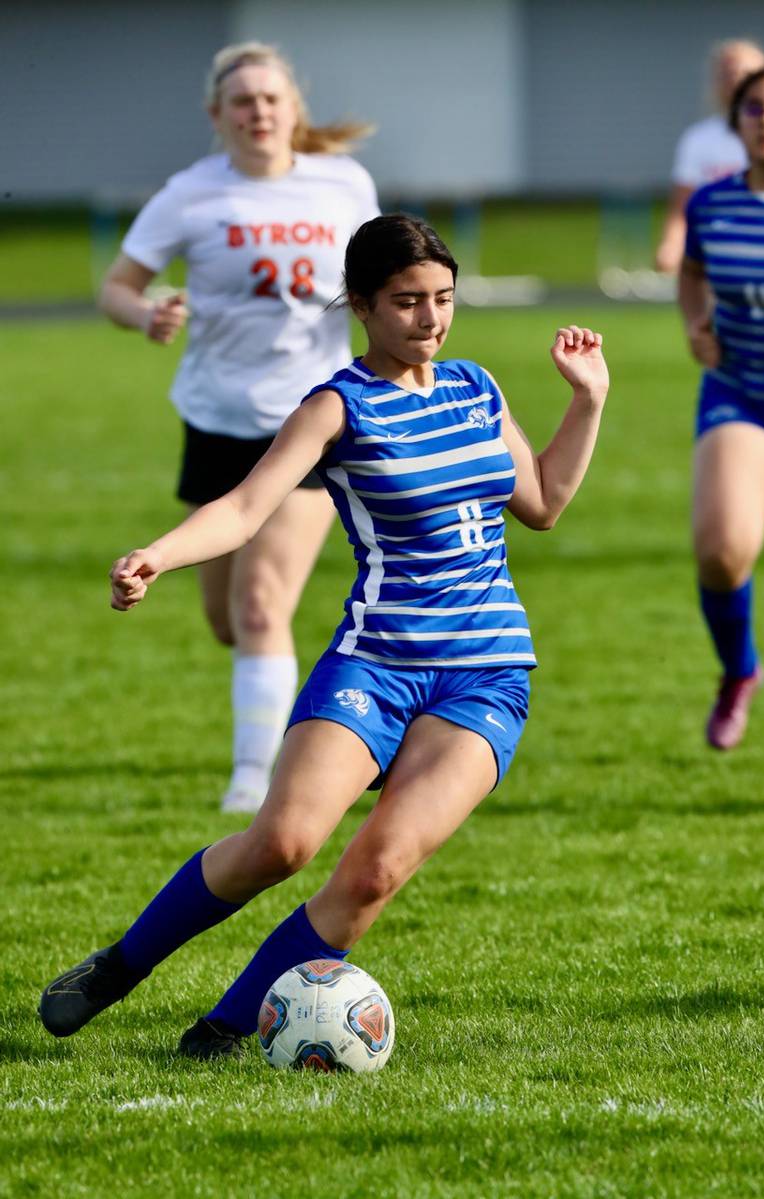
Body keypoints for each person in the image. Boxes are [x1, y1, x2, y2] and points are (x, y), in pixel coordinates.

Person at [38, 214, 609, 1060]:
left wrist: (587, 397)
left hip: (485, 676)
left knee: (373, 873)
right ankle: (121, 964)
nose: (430, 318)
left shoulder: (477, 388)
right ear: (361, 306)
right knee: (282, 842)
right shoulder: (338, 406)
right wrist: (157, 556)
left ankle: (222, 1031)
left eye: (443, 299)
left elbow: (545, 503)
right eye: (408, 302)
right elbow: (241, 508)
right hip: (374, 665)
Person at [98, 42, 379, 813]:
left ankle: (255, 782)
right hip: (219, 420)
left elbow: (383, 278)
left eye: (271, 98)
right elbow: (116, 287)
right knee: (227, 621)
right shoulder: (191, 195)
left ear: (295, 108)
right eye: (243, 101)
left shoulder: (344, 184)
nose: (259, 112)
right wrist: (145, 313)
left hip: (314, 418)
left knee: (262, 605)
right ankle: (271, 704)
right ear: (217, 116)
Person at [679, 64, 764, 750]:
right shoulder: (713, 203)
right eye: (754, 108)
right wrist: (697, 324)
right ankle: (739, 671)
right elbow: (693, 271)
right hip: (743, 390)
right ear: (738, 124)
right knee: (723, 551)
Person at [655, 39, 764, 275]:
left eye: (745, 72)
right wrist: (671, 246)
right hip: (717, 256)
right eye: (727, 73)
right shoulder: (699, 139)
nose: (736, 80)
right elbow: (682, 207)